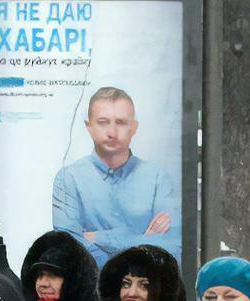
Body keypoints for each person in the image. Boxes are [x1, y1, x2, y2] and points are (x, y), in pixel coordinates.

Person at [52, 86, 182, 267]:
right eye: (103, 122)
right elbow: (69, 248)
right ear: (88, 127)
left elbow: (172, 248)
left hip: (147, 292)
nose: (112, 132)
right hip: (91, 292)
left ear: (134, 127)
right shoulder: (68, 179)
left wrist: (99, 237)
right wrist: (142, 240)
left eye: (120, 122)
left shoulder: (158, 179)